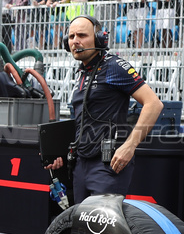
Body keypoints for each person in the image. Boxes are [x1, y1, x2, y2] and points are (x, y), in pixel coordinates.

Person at [46, 15, 162, 204]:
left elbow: (154, 104)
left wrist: (130, 146)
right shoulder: (82, 72)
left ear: (99, 39)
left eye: (82, 35)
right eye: (71, 37)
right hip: (81, 163)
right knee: (80, 228)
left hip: (108, 164)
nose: (75, 41)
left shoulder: (114, 66)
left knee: (100, 228)